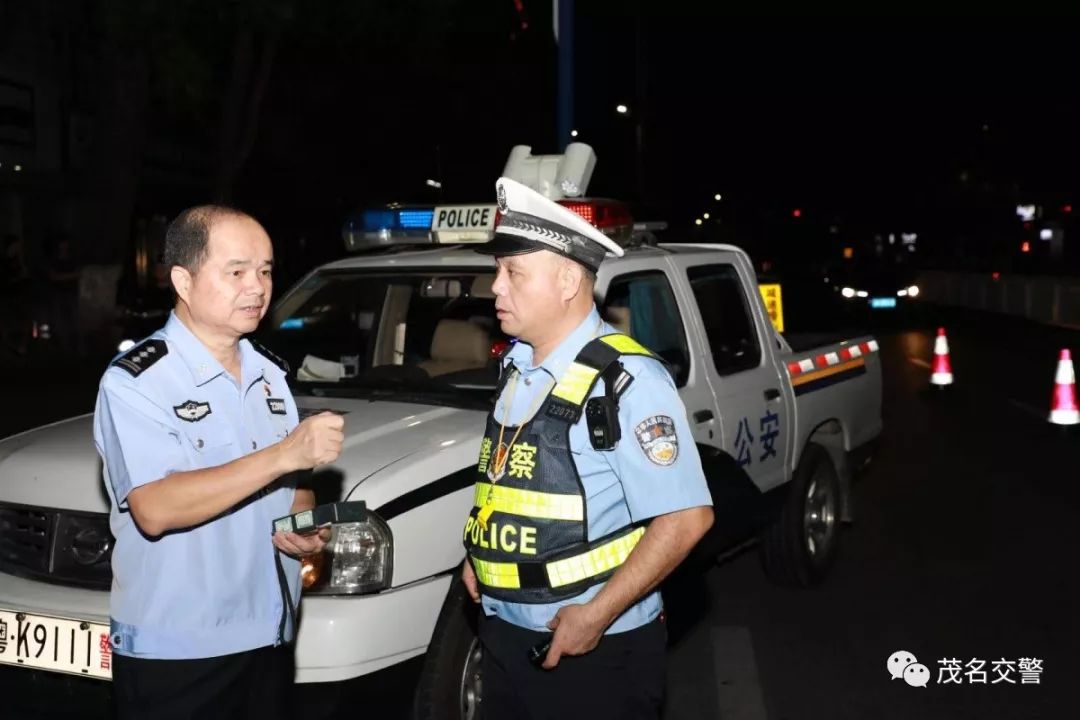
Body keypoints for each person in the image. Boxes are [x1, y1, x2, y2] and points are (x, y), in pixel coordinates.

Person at [461, 178, 715, 719]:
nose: (494, 289)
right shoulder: (518, 367)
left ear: (569, 280)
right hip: (505, 636)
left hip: (593, 653)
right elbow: (513, 479)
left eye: (513, 273)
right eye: (497, 272)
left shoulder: (627, 381)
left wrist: (596, 614)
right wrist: (478, 556)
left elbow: (687, 518)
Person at [93, 205, 345, 720]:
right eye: (236, 272)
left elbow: (291, 487)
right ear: (183, 280)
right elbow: (154, 508)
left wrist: (305, 527)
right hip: (179, 652)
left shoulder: (269, 375)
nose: (257, 287)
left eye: (266, 270)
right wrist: (284, 453)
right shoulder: (136, 382)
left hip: (269, 636)